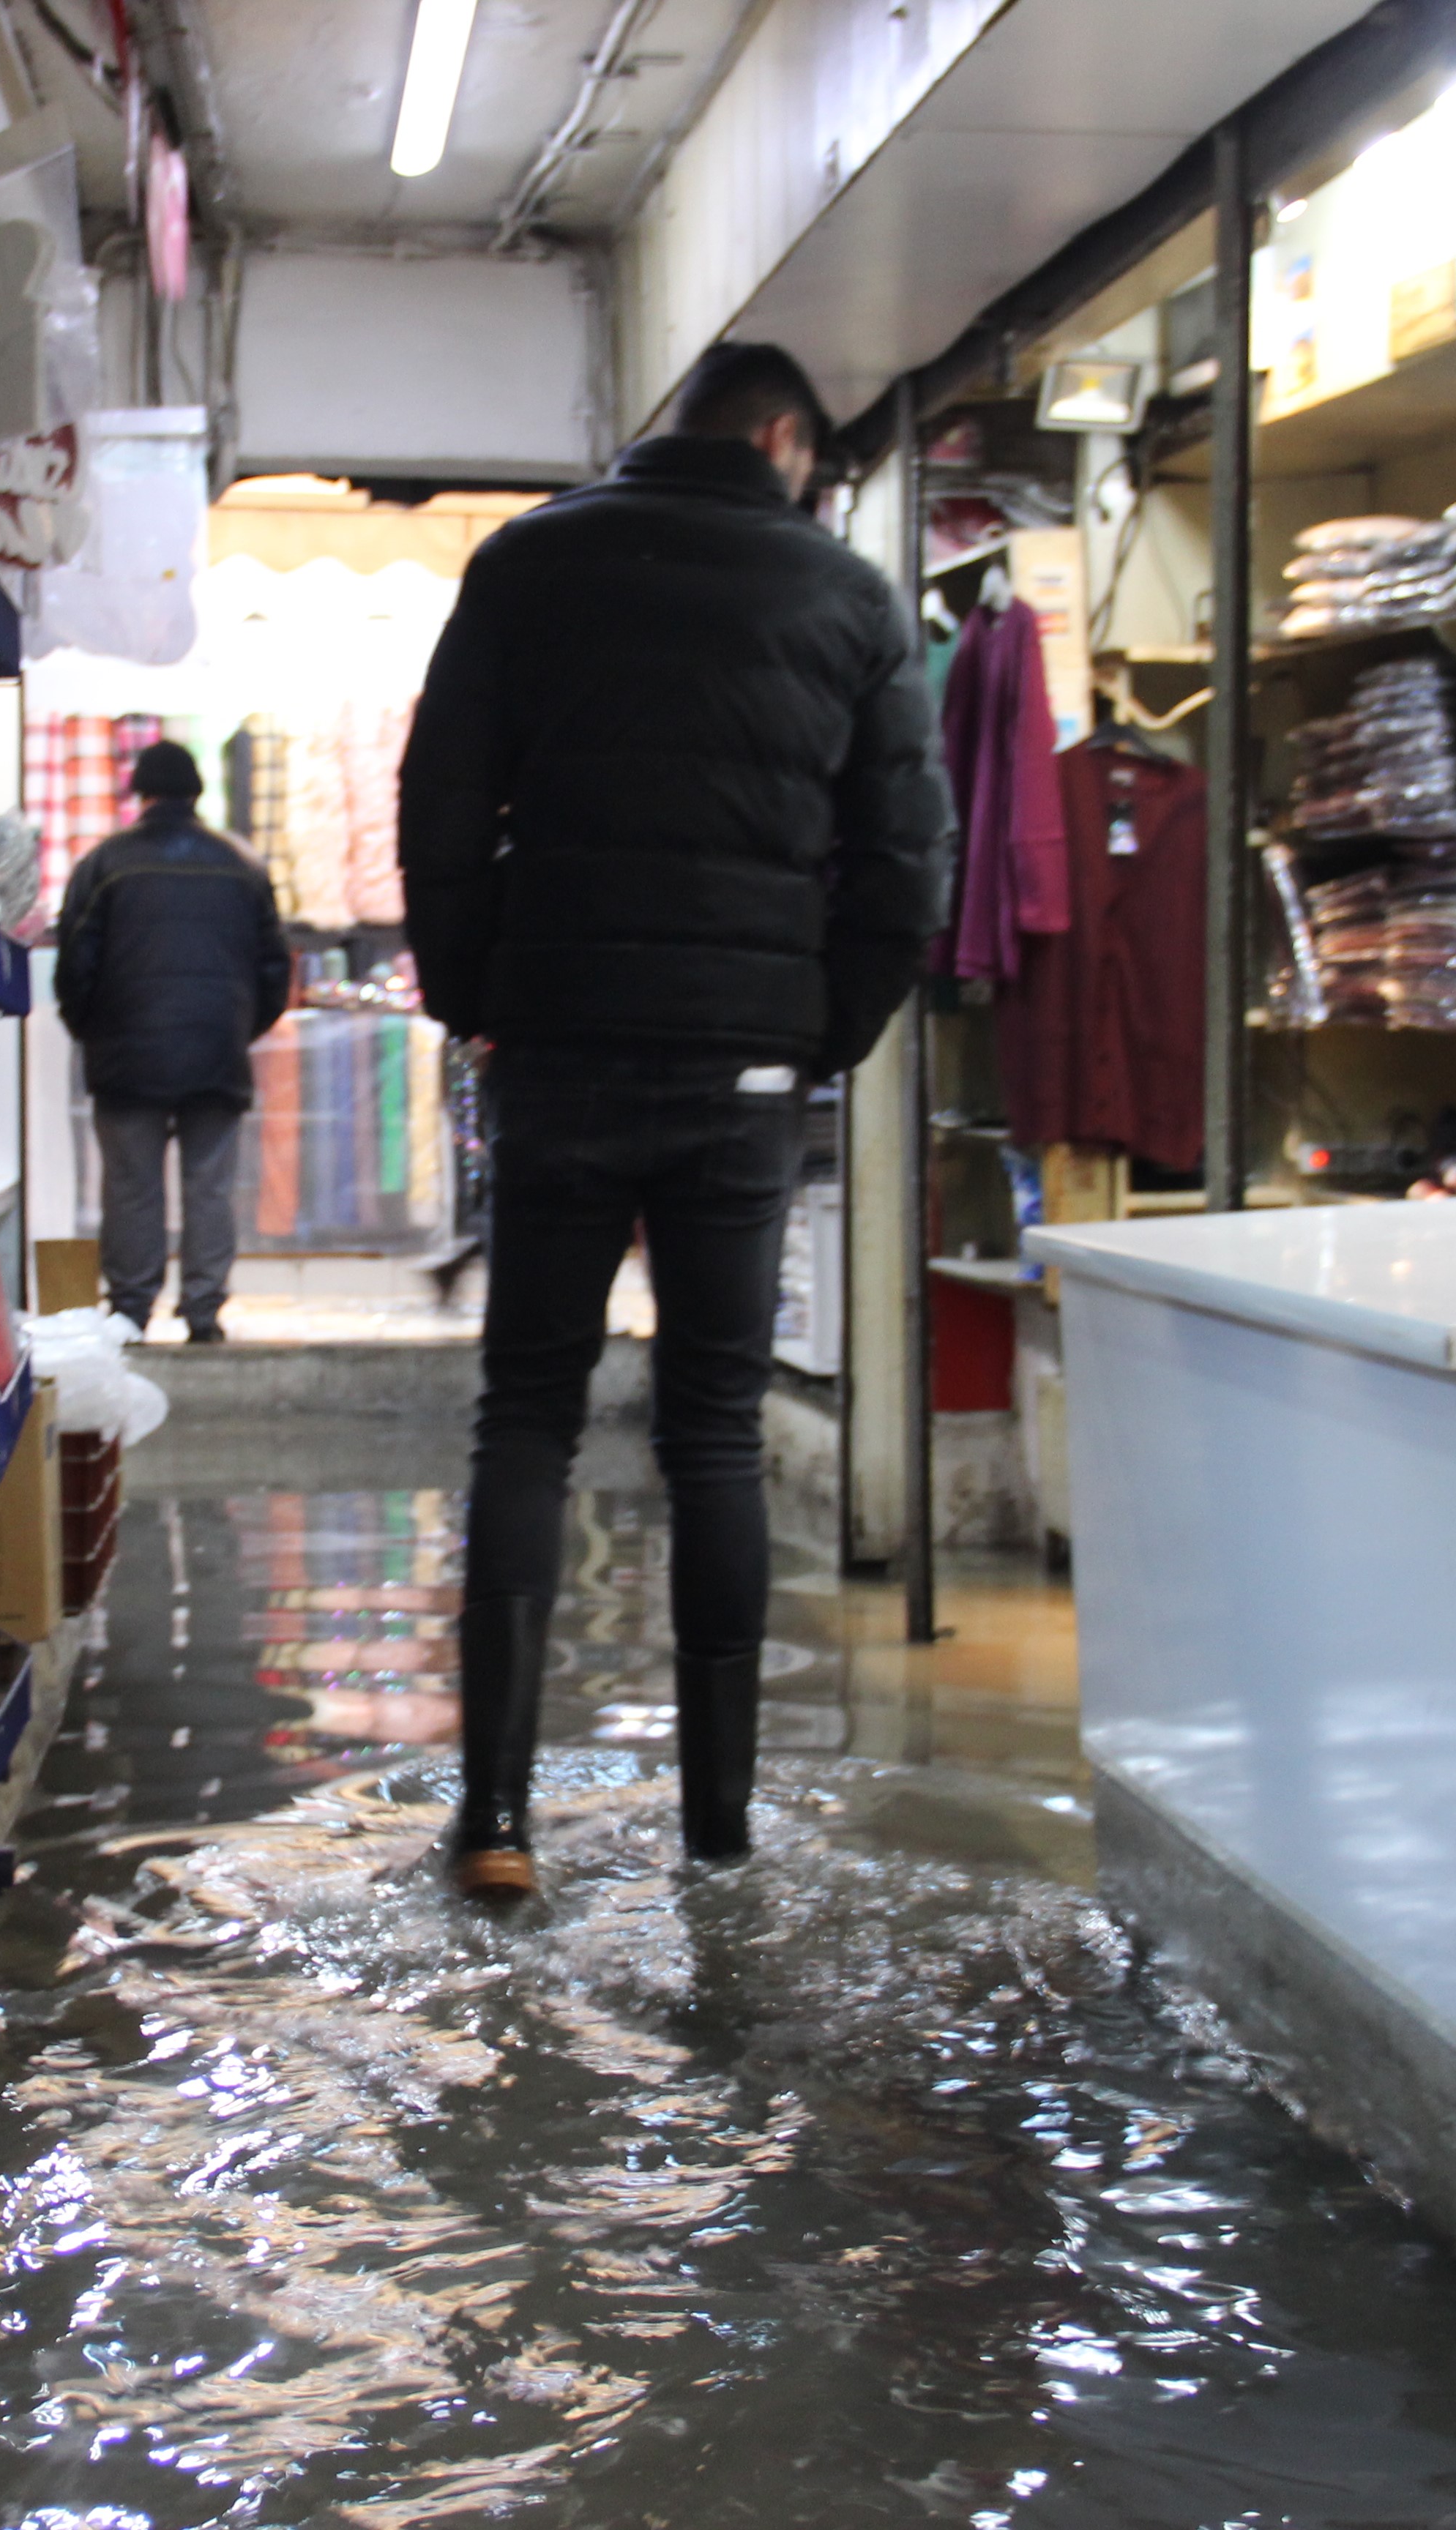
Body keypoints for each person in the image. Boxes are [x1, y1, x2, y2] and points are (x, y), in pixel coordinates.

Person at [398, 340, 957, 1898]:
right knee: (712, 1432)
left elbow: (441, 799)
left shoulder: (527, 565)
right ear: (786, 442)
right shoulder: (848, 600)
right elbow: (909, 863)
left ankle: (495, 1823)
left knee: (530, 1415)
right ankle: (717, 1828)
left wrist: (470, 993)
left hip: (561, 1051)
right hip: (744, 1074)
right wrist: (816, 1026)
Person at [54, 739, 294, 1343]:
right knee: (210, 1186)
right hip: (217, 1052)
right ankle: (204, 1312)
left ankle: (132, 1311)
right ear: (197, 795)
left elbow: (74, 967)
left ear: (141, 794)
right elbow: (274, 969)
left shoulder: (105, 864)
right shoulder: (242, 865)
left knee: (132, 1186)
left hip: (127, 1054)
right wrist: (241, 1029)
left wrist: (93, 1031)